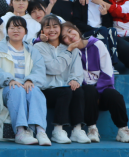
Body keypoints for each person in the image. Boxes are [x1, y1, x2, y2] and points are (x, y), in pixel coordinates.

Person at [61, 22, 129, 143]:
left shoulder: (97, 44)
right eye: (64, 36)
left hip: (102, 92)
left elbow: (107, 73)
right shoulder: (70, 52)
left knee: (114, 95)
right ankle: (92, 129)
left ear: (76, 28)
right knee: (89, 90)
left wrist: (98, 95)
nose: (70, 36)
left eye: (70, 31)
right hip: (86, 96)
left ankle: (123, 129)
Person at [0, 16, 49, 146]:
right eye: (12, 28)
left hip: (26, 87)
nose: (15, 30)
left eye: (19, 28)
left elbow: (40, 70)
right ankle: (20, 132)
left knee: (35, 90)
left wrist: (30, 80)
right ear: (7, 31)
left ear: (25, 31)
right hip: (4, 89)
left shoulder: (32, 51)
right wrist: (9, 80)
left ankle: (40, 131)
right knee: (17, 89)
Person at [34, 15, 90, 144]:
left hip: (66, 90)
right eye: (47, 27)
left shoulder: (71, 48)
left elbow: (77, 71)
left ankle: (77, 130)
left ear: (60, 29)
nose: (52, 30)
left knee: (78, 90)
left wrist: (75, 80)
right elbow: (54, 68)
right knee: (65, 91)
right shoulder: (39, 47)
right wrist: (68, 51)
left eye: (55, 26)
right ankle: (58, 130)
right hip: (47, 91)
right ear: (42, 31)